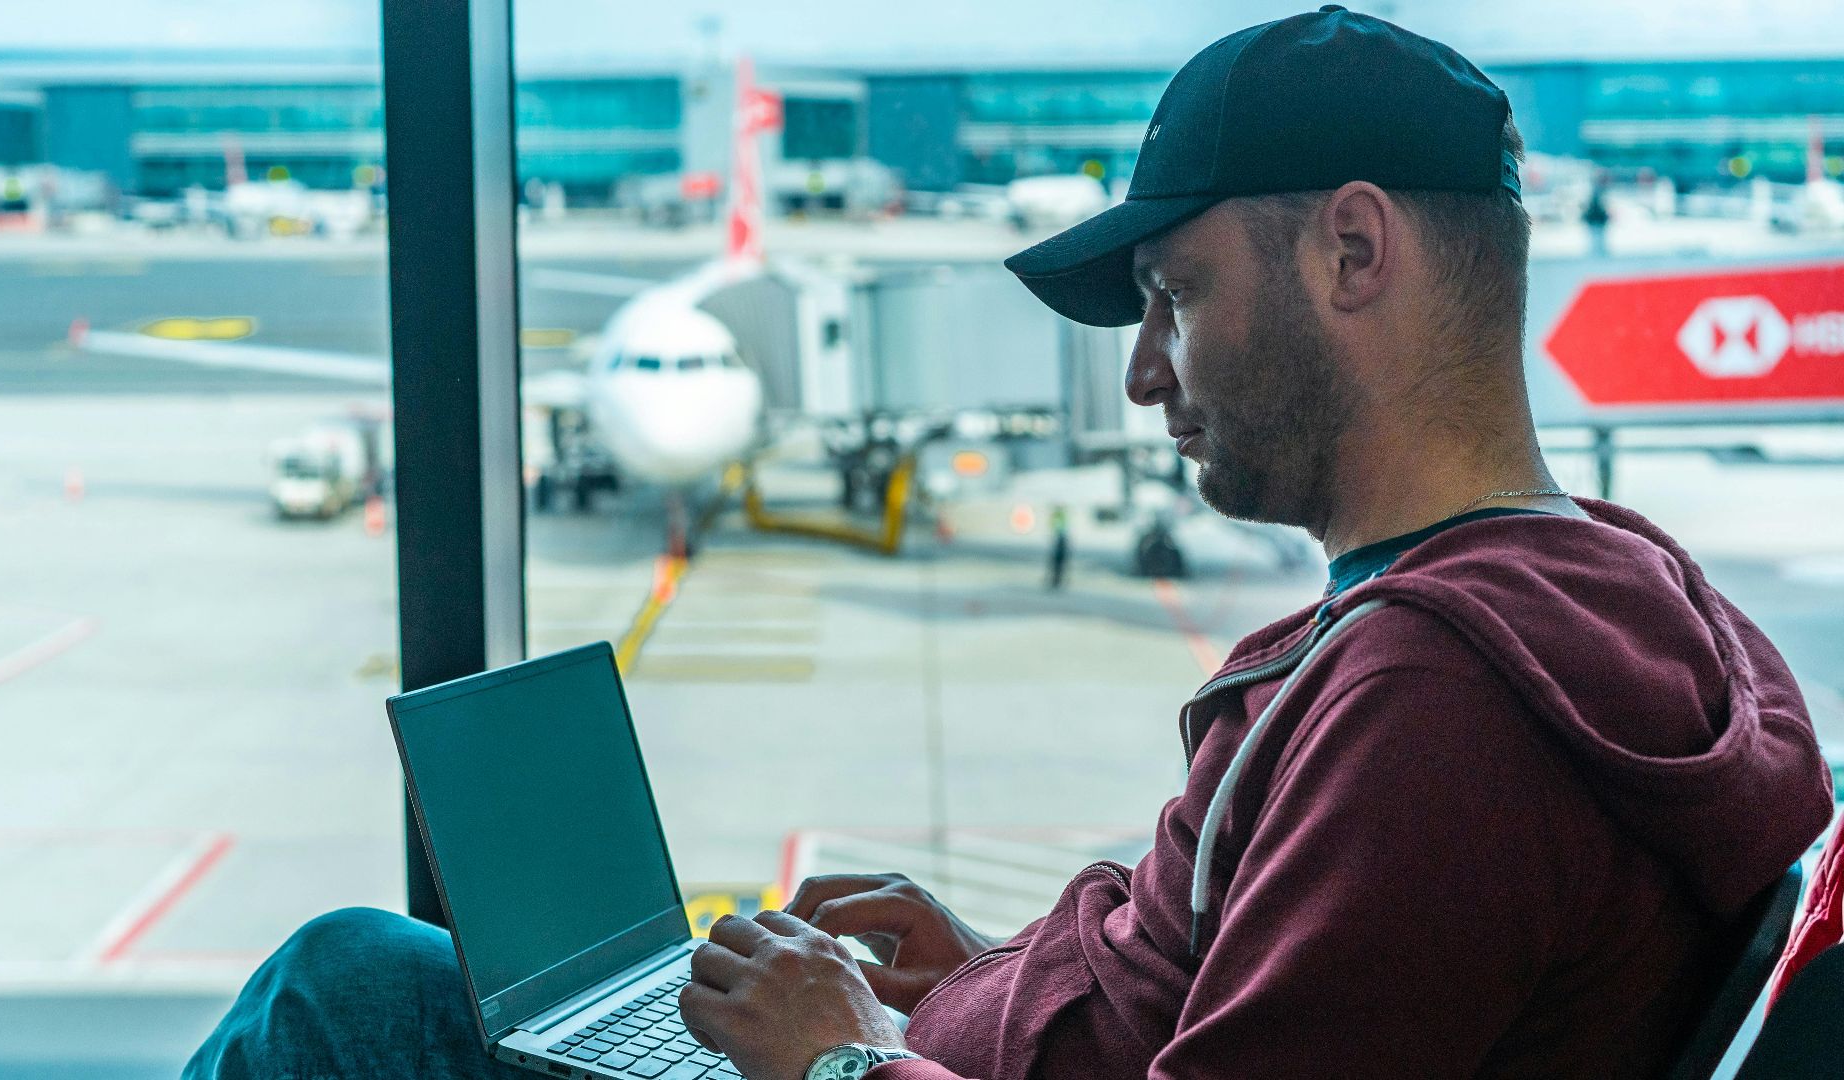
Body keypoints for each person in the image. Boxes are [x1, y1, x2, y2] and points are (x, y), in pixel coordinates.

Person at [184, 8, 1833, 1080]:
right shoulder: (1622, 586)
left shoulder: (1442, 706)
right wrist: (996, 970)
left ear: (1352, 250)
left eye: (1175, 299)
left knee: (353, 991)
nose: (1138, 371)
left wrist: (839, 1059)